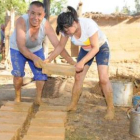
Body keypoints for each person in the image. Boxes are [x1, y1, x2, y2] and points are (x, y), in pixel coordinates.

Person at [45, 6, 115, 120]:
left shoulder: (88, 25)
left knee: (103, 79)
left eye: (67, 29)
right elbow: (60, 47)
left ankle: (111, 108)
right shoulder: (66, 29)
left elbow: (95, 48)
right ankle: (73, 104)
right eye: (64, 30)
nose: (66, 32)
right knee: (78, 77)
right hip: (86, 49)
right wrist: (48, 59)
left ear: (75, 22)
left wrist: (81, 62)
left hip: (101, 48)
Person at [10, 1, 75, 105]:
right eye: (33, 13)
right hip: (17, 49)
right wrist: (34, 58)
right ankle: (17, 97)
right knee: (18, 74)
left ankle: (38, 98)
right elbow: (21, 47)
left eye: (39, 14)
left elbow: (58, 46)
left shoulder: (46, 25)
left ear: (44, 15)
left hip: (36, 49)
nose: (36, 17)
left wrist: (72, 61)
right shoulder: (21, 21)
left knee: (41, 75)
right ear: (28, 12)